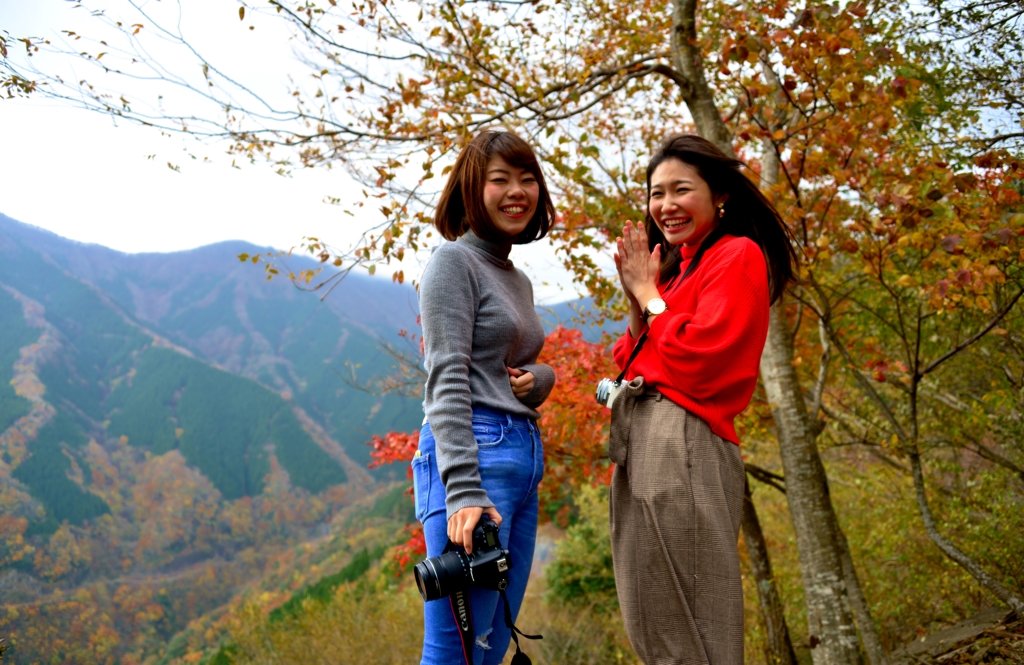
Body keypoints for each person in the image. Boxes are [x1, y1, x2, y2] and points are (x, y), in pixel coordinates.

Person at [609, 134, 796, 665]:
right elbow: (633, 355)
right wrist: (638, 297)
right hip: (645, 437)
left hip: (684, 439)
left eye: (681, 189)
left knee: (689, 605)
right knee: (651, 605)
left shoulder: (736, 255)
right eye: (655, 193)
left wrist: (650, 295)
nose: (665, 205)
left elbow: (701, 357)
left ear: (720, 197)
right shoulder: (681, 266)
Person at [413, 130, 556, 665]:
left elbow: (502, 363)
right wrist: (464, 491)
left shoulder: (514, 276)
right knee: (456, 652)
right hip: (477, 459)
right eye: (501, 180)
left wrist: (541, 378)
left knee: (491, 645)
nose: (517, 191)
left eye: (527, 179)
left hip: (520, 462)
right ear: (473, 189)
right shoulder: (453, 261)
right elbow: (446, 377)